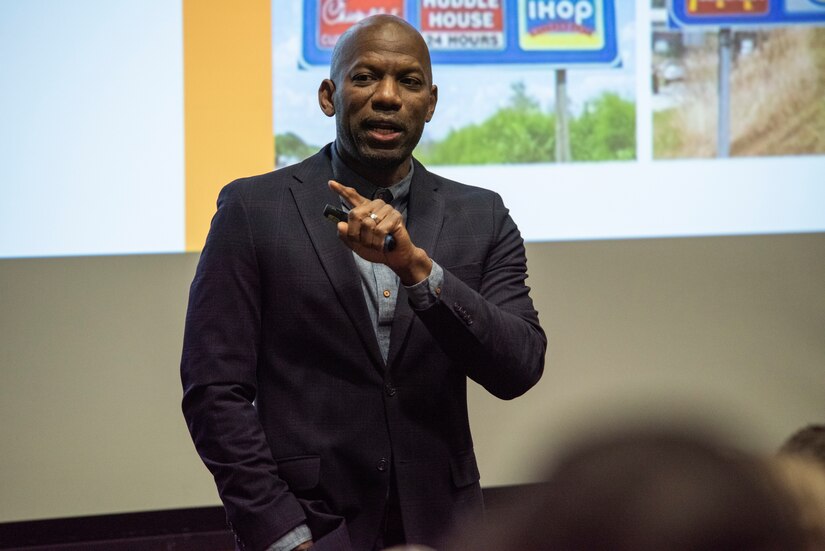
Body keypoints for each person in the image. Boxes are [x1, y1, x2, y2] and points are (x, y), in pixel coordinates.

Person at [180, 14, 546, 551]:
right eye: (366, 76)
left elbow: (519, 367)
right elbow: (215, 392)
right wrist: (284, 536)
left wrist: (419, 272)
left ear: (431, 102)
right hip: (310, 526)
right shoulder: (253, 209)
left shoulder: (482, 216)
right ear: (329, 95)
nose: (388, 96)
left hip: (444, 527)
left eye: (409, 81)